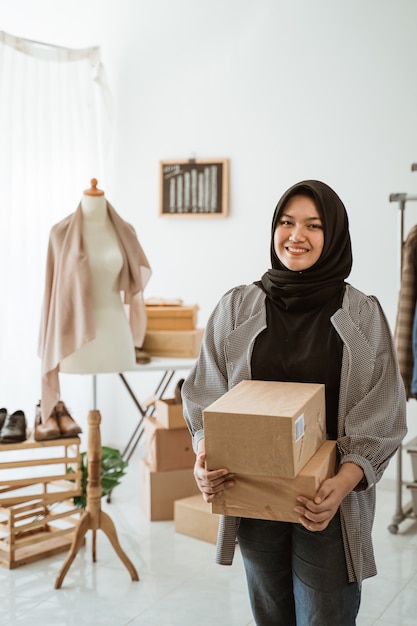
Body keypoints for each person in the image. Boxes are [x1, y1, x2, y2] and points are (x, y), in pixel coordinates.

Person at [181, 180, 407, 626]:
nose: (295, 235)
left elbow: (382, 411)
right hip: (251, 494)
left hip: (329, 505)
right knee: (270, 615)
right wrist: (203, 457)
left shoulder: (361, 314)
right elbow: (206, 391)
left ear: (335, 234)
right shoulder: (237, 307)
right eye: (286, 222)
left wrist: (340, 484)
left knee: (325, 617)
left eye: (313, 225)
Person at [38, 179, 151, 423]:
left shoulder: (125, 231)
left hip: (115, 336)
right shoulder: (60, 233)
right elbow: (51, 292)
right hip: (75, 344)